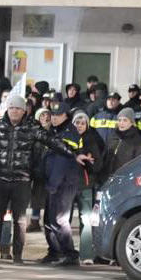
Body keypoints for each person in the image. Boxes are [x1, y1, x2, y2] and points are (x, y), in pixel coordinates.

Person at [0, 95, 88, 265]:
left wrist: (73, 154)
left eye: (18, 108)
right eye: (11, 108)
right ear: (7, 109)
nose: (14, 111)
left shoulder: (32, 128)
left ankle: (17, 255)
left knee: (20, 220)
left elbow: (53, 142)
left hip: (22, 180)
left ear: (24, 111)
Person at [39, 103, 94, 266]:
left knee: (59, 219)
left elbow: (62, 162)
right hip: (54, 181)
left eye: (58, 115)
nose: (54, 118)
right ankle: (55, 251)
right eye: (53, 115)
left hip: (63, 182)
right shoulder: (56, 131)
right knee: (49, 219)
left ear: (65, 116)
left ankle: (70, 253)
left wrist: (53, 184)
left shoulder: (68, 133)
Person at [71, 110, 105, 265]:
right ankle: (66, 252)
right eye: (77, 122)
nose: (79, 125)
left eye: (82, 122)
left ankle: (86, 254)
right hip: (69, 184)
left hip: (86, 183)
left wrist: (87, 163)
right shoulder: (68, 138)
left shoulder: (92, 139)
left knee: (86, 219)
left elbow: (97, 164)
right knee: (64, 219)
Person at [102, 107, 141, 182]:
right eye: (119, 120)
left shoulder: (139, 141)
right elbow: (105, 157)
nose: (121, 123)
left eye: (125, 120)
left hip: (125, 181)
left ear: (132, 122)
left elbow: (139, 165)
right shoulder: (112, 137)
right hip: (107, 179)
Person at [27, 107, 52, 233]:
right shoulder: (34, 132)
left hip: (50, 171)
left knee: (49, 198)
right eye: (42, 116)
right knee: (36, 197)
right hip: (37, 169)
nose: (45, 118)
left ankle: (48, 222)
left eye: (47, 115)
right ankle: (34, 221)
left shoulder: (54, 132)